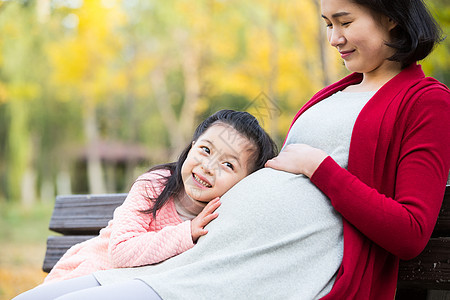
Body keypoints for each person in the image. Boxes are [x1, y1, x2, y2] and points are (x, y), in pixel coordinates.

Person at [14, 0, 450, 298]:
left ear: (392, 16)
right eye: (327, 25)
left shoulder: (426, 101)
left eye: (345, 21)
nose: (334, 38)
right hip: (200, 257)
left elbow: (410, 232)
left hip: (251, 276)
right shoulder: (337, 92)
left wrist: (319, 167)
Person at [13, 109, 277, 299]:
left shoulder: (228, 213)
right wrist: (187, 232)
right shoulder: (156, 184)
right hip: (98, 269)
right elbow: (121, 251)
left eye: (228, 165)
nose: (208, 167)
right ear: (192, 146)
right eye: (206, 150)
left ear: (245, 182)